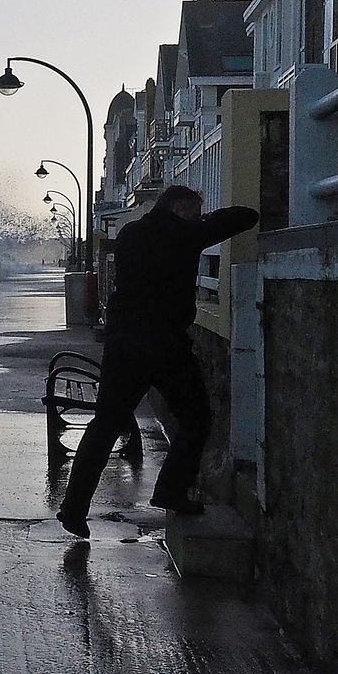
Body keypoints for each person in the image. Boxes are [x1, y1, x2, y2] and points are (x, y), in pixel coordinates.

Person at [55, 186, 259, 539]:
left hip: (123, 344)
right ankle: (171, 491)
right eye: (196, 210)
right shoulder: (186, 232)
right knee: (196, 418)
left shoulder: (131, 233)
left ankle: (73, 508)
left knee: (105, 426)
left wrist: (195, 223)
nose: (199, 216)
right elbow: (245, 217)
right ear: (180, 209)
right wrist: (204, 222)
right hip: (165, 345)